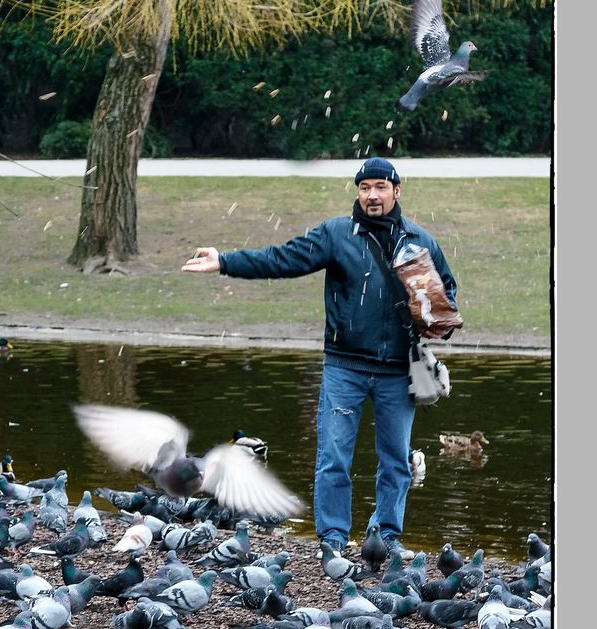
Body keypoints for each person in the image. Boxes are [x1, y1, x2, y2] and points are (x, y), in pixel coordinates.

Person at [181, 157, 458, 559]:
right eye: (365, 188)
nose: (372, 195)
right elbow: (283, 259)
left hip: (399, 371)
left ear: (397, 192)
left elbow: (447, 293)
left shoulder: (420, 241)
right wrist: (225, 261)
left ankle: (386, 538)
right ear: (357, 192)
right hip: (344, 366)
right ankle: (331, 540)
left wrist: (441, 319)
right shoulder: (336, 234)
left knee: (397, 461)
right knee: (333, 459)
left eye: (381, 187)